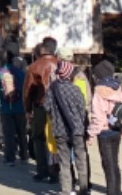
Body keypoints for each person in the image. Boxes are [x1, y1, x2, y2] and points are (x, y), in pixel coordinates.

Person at [47, 61, 88, 195]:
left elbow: (46, 108)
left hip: (59, 130)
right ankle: (83, 188)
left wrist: (54, 117)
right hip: (76, 129)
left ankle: (66, 190)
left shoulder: (51, 90)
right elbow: (82, 109)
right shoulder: (75, 89)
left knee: (64, 161)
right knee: (80, 159)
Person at [87, 59, 122, 195]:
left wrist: (91, 134)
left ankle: (112, 192)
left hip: (104, 132)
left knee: (108, 165)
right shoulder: (117, 88)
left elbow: (97, 117)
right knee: (114, 163)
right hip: (116, 130)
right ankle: (117, 191)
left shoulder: (99, 92)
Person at [23, 38, 59, 181]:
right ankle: (56, 171)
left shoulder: (34, 67)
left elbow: (28, 90)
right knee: (56, 137)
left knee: (39, 137)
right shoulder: (61, 64)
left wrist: (27, 108)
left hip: (41, 105)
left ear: (43, 49)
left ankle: (42, 170)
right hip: (58, 106)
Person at [0, 49, 27, 165]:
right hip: (20, 107)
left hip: (6, 108)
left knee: (9, 134)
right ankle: (24, 155)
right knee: (22, 132)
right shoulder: (20, 73)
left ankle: (10, 157)